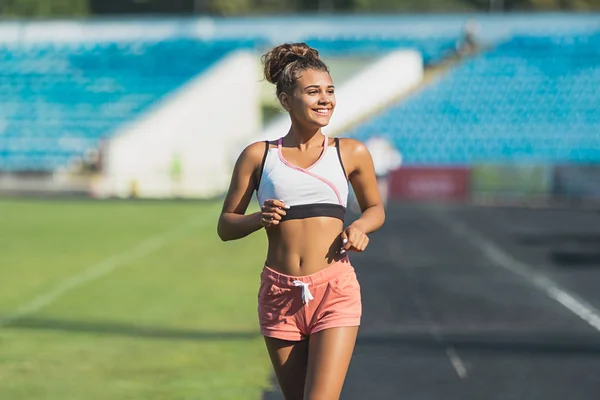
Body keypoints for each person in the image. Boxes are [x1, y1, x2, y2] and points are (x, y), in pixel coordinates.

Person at [217, 42, 385, 400]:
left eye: (329, 91)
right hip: (279, 294)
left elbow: (375, 209)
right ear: (285, 99)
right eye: (312, 92)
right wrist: (258, 219)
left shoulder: (350, 151)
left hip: (334, 291)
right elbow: (225, 226)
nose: (325, 100)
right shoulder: (259, 156)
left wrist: (359, 227)